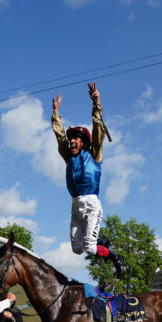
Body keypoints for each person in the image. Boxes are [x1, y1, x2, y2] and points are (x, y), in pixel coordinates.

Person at [52, 82, 124, 277]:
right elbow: (60, 137)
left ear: (83, 142)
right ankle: (98, 242)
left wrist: (96, 102)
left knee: (90, 248)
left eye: (76, 139)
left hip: (91, 204)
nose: (72, 141)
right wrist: (56, 114)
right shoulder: (69, 156)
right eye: (71, 139)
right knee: (77, 249)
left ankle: (114, 256)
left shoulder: (95, 154)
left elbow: (98, 126)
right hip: (75, 206)